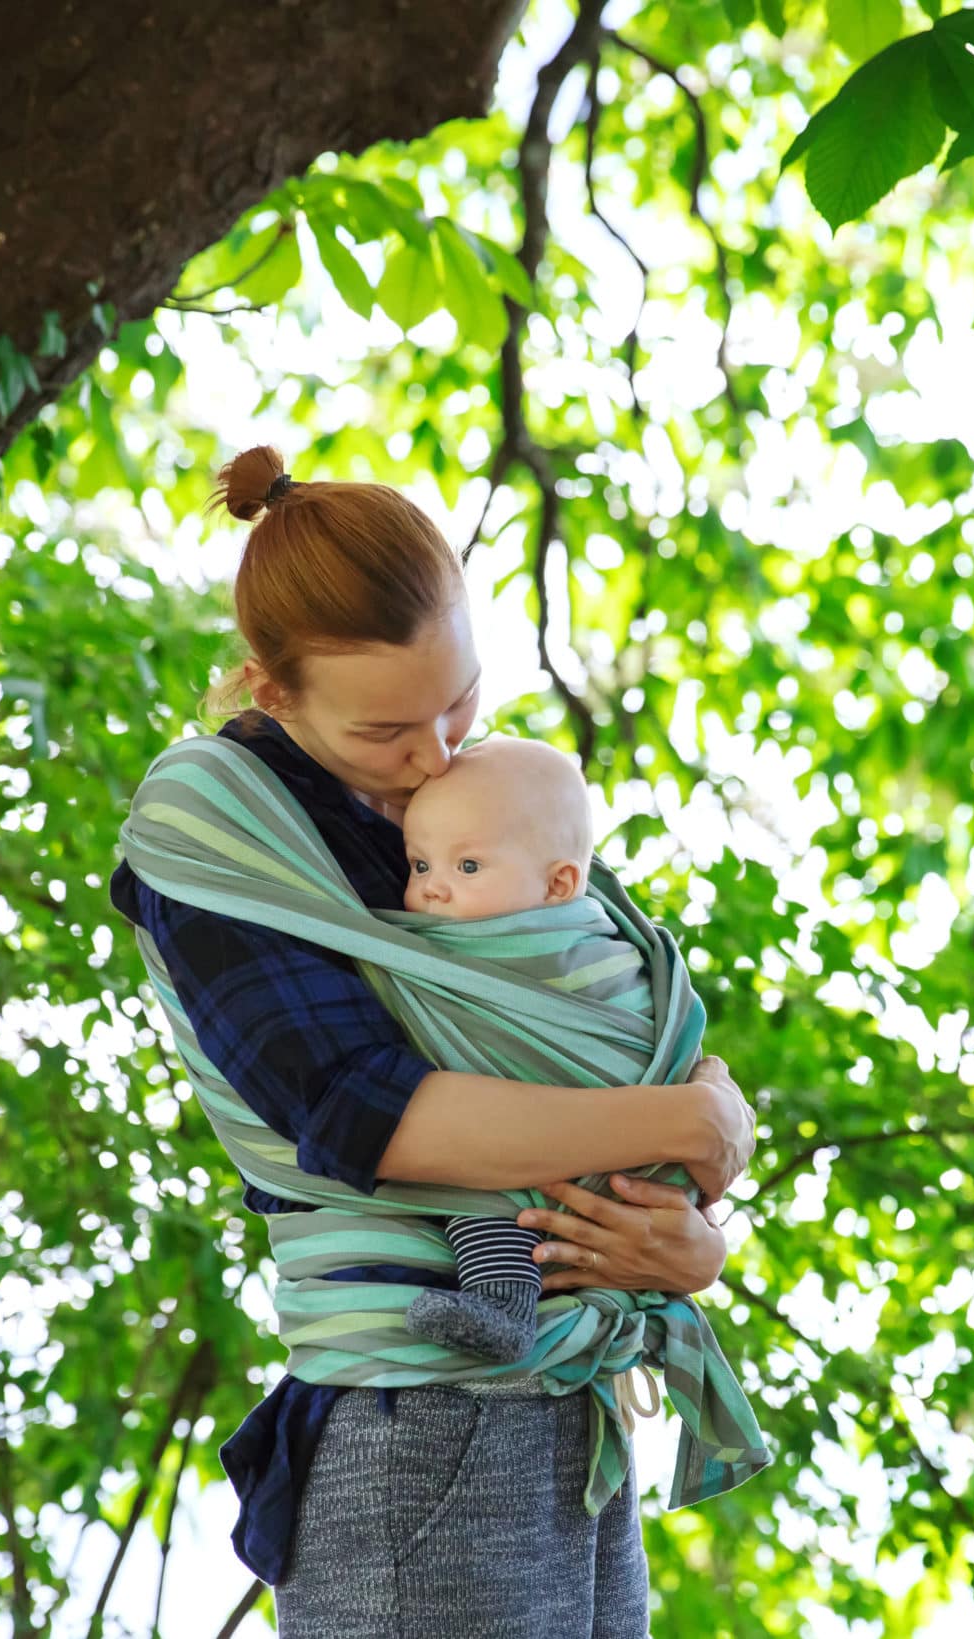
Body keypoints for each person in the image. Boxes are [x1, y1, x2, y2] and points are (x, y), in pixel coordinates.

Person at [107, 446, 755, 1635]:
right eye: (388, 729)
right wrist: (692, 1121)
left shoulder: (475, 795)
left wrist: (686, 1232)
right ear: (271, 690)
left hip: (574, 1403)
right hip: (420, 1423)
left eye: (459, 699)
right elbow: (365, 1110)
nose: (436, 754)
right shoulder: (216, 813)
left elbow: (604, 1016)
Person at [394, 734, 686, 1362]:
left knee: (477, 1179)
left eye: (466, 867)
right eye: (420, 865)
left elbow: (656, 1029)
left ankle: (502, 1304)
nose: (432, 890)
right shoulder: (437, 944)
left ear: (559, 886)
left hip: (598, 1160)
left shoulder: (594, 951)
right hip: (606, 1155)